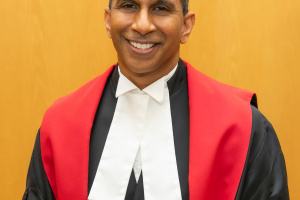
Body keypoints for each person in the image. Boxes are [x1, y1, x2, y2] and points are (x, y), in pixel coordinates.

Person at [23, 0, 289, 199]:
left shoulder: (244, 128)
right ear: (108, 20)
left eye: (161, 8)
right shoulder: (59, 126)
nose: (142, 25)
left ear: (186, 26)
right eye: (129, 5)